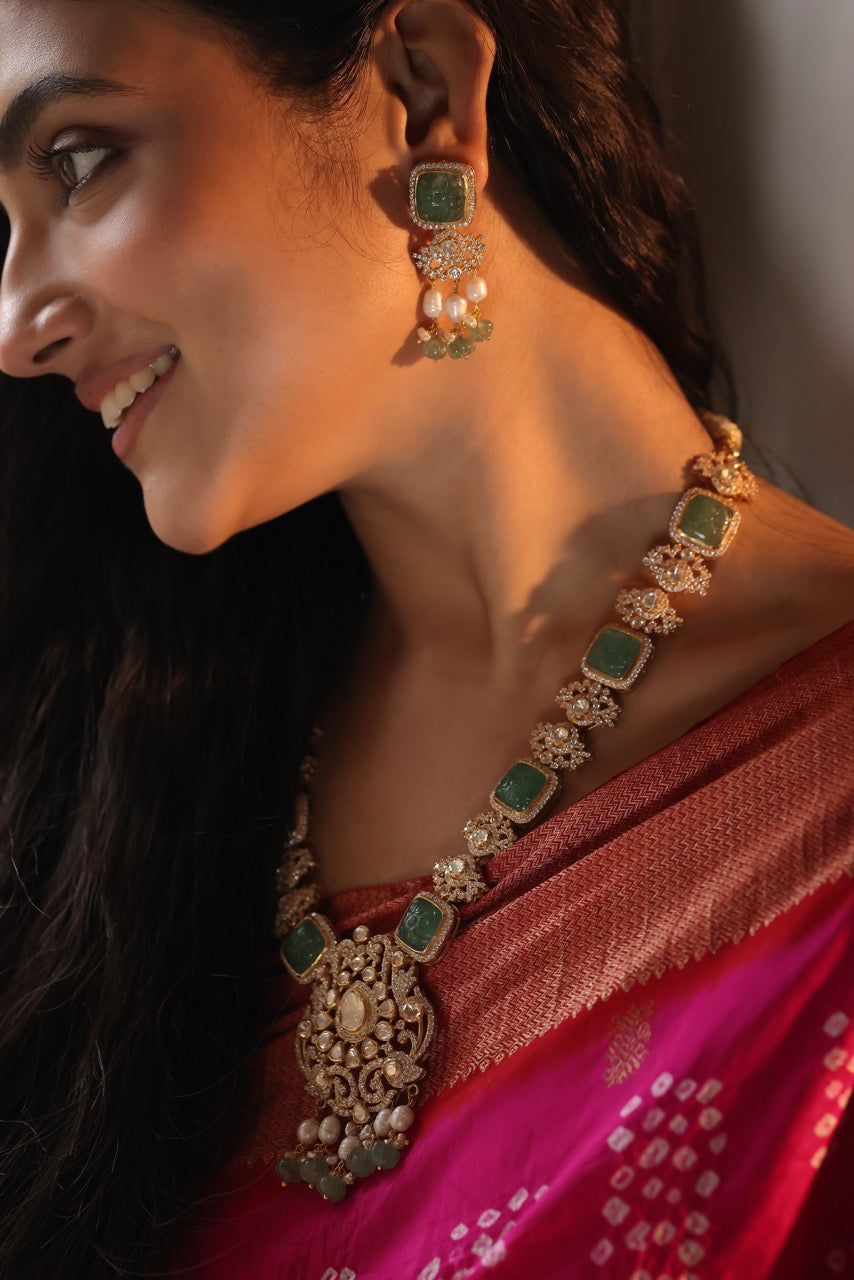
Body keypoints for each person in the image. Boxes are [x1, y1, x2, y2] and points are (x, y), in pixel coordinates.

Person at [0, 1, 851, 1276]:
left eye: (75, 160)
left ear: (423, 92)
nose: (15, 325)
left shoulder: (820, 784)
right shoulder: (115, 768)